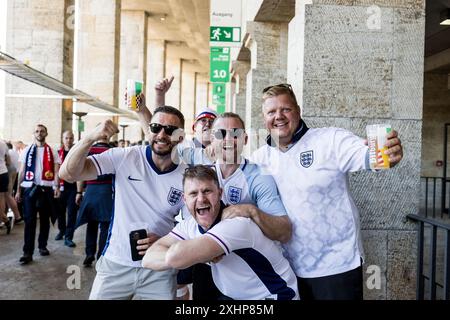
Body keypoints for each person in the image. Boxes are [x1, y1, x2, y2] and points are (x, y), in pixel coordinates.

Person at [249, 84, 404, 300]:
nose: (279, 117)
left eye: (286, 109)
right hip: (286, 269)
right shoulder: (259, 158)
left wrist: (388, 152)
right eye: (271, 112)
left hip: (337, 266)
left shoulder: (330, 139)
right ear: (264, 117)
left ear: (298, 110)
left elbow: (369, 156)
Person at [59, 107, 188, 300]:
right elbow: (68, 174)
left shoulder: (187, 174)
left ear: (180, 136)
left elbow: (193, 224)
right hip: (115, 264)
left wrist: (167, 239)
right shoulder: (126, 157)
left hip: (159, 269)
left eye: (170, 129)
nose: (161, 134)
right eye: (156, 127)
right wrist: (90, 137)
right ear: (149, 130)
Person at [143, 165, 299, 300]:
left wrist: (190, 253)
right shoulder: (189, 225)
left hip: (274, 295)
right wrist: (199, 254)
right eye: (193, 194)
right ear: (184, 199)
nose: (201, 199)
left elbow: (175, 257)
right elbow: (148, 258)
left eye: (207, 191)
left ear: (220, 193)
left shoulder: (235, 224)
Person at [15, 124, 61, 264]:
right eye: (37, 131)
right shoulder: (27, 150)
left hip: (46, 189)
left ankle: (42, 246)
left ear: (46, 133)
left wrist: (57, 187)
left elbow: (57, 170)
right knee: (29, 221)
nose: (39, 133)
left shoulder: (52, 151)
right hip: (30, 189)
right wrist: (18, 190)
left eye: (42, 131)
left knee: (45, 220)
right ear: (33, 133)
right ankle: (27, 252)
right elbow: (21, 172)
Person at [75, 135, 114, 267]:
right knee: (105, 226)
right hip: (108, 192)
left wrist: (79, 192)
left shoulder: (89, 151)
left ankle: (89, 254)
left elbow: (81, 174)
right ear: (109, 137)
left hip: (91, 190)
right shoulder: (114, 151)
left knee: (91, 224)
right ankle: (101, 256)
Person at [55, 130, 78, 247]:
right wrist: (56, 186)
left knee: (72, 213)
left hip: (73, 187)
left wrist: (80, 191)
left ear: (73, 139)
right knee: (60, 211)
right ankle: (61, 230)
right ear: (62, 139)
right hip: (61, 187)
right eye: (66, 138)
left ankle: (69, 237)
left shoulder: (76, 152)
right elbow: (56, 170)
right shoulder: (58, 153)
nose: (68, 140)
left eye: (70, 138)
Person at [5, 141, 22, 224]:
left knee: (6, 196)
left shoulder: (8, 152)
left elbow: (7, 163)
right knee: (8, 195)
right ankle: (17, 216)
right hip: (15, 172)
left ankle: (14, 216)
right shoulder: (15, 152)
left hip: (7, 172)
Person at [0, 139, 11, 234]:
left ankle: (5, 220)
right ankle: (4, 220)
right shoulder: (3, 143)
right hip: (3, 173)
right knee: (2, 197)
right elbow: (8, 161)